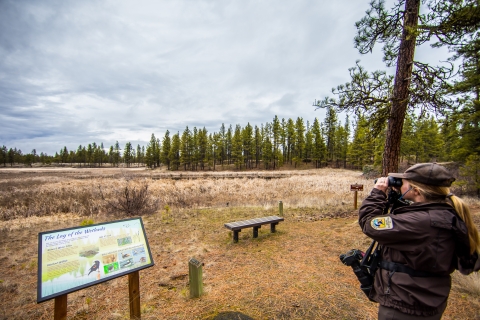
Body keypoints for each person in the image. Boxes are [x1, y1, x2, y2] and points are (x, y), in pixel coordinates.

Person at [359, 163, 480, 320]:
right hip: (424, 299)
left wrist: (378, 193)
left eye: (405, 182)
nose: (401, 184)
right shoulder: (442, 213)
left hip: (405, 304)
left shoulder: (420, 221)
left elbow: (369, 223)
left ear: (416, 190)